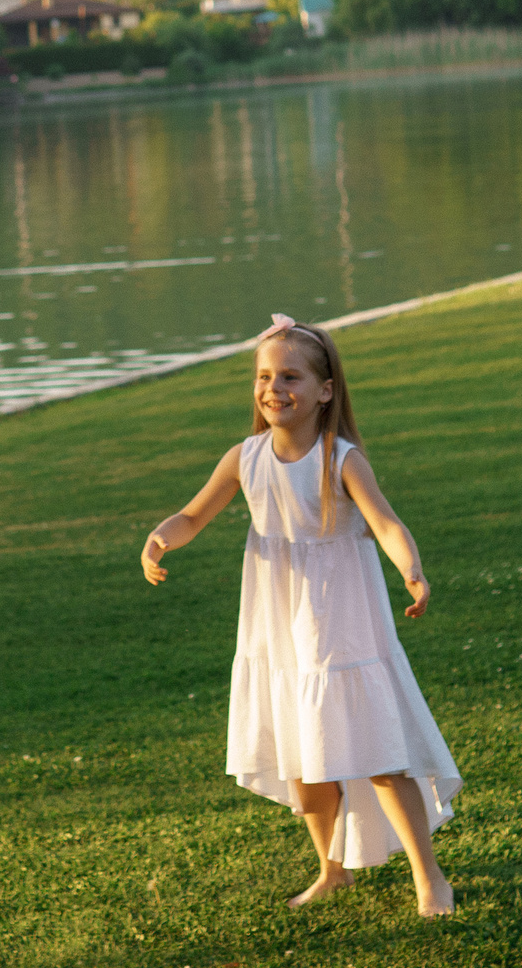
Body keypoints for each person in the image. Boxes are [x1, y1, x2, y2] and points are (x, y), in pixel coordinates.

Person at [139, 313, 460, 916]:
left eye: (290, 376)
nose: (273, 389)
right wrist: (160, 538)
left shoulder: (340, 459)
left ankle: (429, 878)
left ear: (325, 390)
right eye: (264, 376)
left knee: (379, 754)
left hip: (341, 619)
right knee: (304, 756)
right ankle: (330, 869)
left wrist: (411, 569)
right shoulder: (245, 457)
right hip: (277, 622)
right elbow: (191, 515)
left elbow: (386, 522)